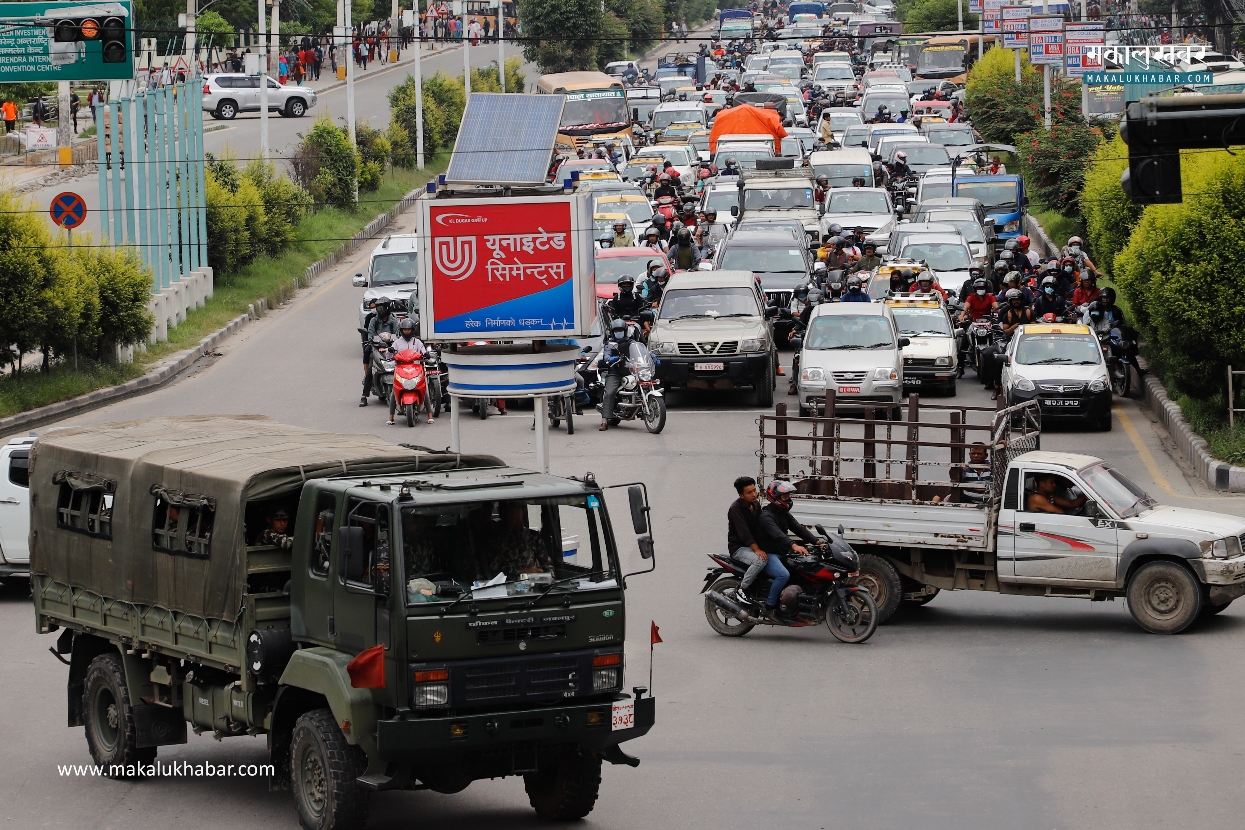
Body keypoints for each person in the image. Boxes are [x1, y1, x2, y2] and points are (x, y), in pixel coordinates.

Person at [753, 480, 818, 618]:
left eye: (788, 496)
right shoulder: (766, 516)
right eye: (784, 497)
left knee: (801, 570)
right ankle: (769, 607)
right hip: (769, 554)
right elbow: (778, 535)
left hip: (781, 553)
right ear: (774, 498)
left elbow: (798, 528)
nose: (788, 499)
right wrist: (794, 546)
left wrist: (817, 542)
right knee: (783, 575)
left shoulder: (782, 513)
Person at [727, 476, 786, 614]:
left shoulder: (756, 505)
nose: (754, 494)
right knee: (760, 560)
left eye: (755, 490)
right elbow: (744, 534)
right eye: (749, 492)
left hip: (753, 546)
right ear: (741, 495)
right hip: (740, 548)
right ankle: (741, 589)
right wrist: (757, 550)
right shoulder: (735, 509)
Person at [487, 502, 551, 577]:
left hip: (537, 583)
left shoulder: (533, 536)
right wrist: (524, 571)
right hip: (510, 585)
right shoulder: (498, 539)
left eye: (515, 511)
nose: (512, 515)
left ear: (523, 511)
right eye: (509, 512)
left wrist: (550, 579)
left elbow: (547, 564)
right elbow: (496, 569)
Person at [361, 300, 400, 406]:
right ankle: (364, 395)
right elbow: (370, 334)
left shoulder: (393, 320)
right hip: (376, 347)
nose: (379, 310)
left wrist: (394, 341)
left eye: (381, 308)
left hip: (391, 347)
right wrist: (373, 341)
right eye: (378, 308)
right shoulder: (373, 320)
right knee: (368, 354)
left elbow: (397, 333)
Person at [599, 319, 634, 430]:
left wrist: (652, 356)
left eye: (621, 330)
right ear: (613, 332)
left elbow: (641, 350)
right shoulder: (610, 344)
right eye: (616, 330)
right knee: (609, 393)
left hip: (631, 371)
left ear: (625, 330)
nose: (619, 332)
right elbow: (606, 357)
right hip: (615, 373)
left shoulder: (632, 342)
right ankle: (604, 421)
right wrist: (611, 358)